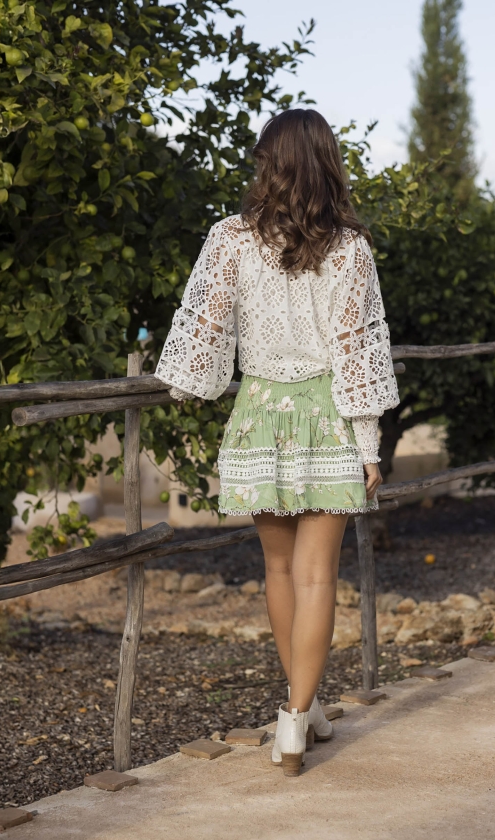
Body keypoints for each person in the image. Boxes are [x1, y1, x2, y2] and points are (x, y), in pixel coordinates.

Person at [154, 108, 399, 776]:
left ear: (272, 162)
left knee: (280, 570)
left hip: (260, 411)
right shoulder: (349, 247)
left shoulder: (229, 238)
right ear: (326, 161)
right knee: (320, 573)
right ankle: (298, 715)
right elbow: (356, 350)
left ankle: (298, 707)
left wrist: (182, 385)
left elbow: (202, 326)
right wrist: (369, 444)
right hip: (326, 414)